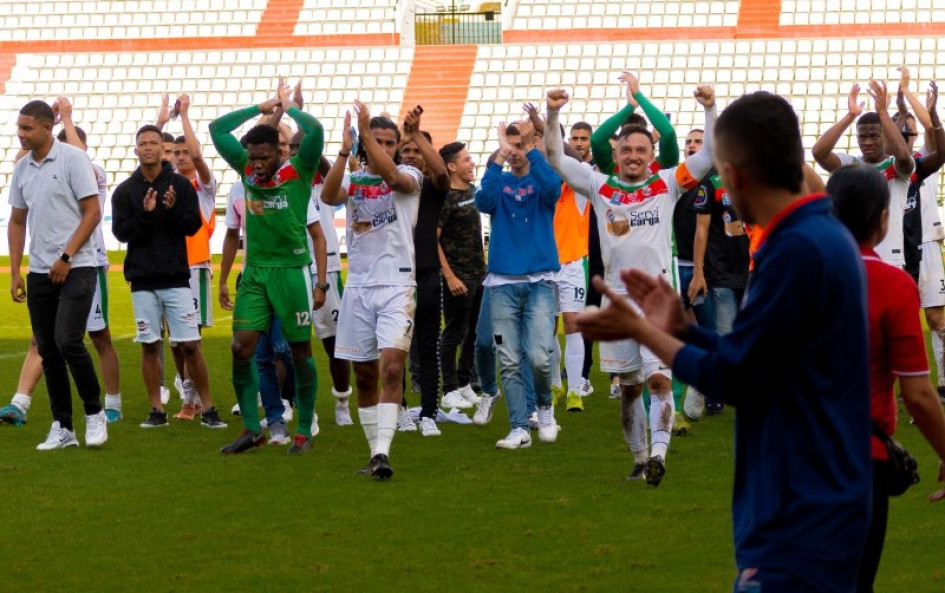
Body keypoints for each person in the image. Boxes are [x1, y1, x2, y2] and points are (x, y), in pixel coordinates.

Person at [576, 91, 872, 591]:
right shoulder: (819, 233)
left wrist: (646, 330)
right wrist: (686, 329)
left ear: (733, 172)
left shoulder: (794, 251)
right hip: (821, 488)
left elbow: (737, 378)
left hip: (799, 505)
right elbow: (758, 362)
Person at [545, 84, 716, 485]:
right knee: (628, 391)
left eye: (641, 150)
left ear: (651, 155)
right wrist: (552, 116)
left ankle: (659, 454)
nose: (634, 156)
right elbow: (555, 157)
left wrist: (710, 109)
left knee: (659, 381)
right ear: (616, 155)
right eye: (626, 151)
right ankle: (640, 460)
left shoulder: (668, 183)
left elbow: (709, 156)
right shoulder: (599, 185)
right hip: (617, 303)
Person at [826, 163, 945, 592]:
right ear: (883, 219)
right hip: (859, 457)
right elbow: (917, 393)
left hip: (786, 455)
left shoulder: (788, 273)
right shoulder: (893, 285)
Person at [210, 84, 325, 455]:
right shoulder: (245, 169)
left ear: (280, 151)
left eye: (263, 157)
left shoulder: (300, 169)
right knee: (240, 348)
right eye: (252, 157)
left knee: (299, 352)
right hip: (256, 273)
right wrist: (261, 106)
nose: (256, 163)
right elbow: (216, 129)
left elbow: (317, 132)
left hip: (291, 271)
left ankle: (304, 429)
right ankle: (250, 429)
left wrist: (289, 108)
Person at [0, 99, 122, 425]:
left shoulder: (75, 160)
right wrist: (16, 272)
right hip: (40, 270)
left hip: (81, 264)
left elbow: (93, 212)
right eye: (18, 128)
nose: (20, 134)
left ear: (46, 126)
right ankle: (59, 425)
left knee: (74, 339)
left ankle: (100, 409)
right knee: (47, 346)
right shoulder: (23, 168)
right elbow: (16, 221)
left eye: (27, 128)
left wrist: (66, 256)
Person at [321, 103, 421, 478]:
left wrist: (364, 135)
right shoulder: (353, 178)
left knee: (392, 368)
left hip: (397, 286)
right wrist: (346, 150)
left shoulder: (409, 173)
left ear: (397, 146)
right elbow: (330, 196)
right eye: (376, 140)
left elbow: (394, 178)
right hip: (359, 287)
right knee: (363, 376)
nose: (383, 146)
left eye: (389, 141)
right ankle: (373, 452)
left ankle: (383, 452)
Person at [111, 124, 226, 430]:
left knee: (190, 344)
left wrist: (172, 210)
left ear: (163, 149)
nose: (148, 148)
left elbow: (191, 227)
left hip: (177, 278)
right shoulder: (125, 191)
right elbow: (121, 232)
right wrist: (146, 214)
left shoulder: (181, 186)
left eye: (153, 143)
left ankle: (209, 408)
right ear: (136, 150)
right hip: (143, 281)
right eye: (142, 143)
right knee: (150, 345)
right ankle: (156, 410)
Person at [475, 119, 562, 450]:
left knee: (539, 356)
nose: (513, 151)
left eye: (518, 145)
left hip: (539, 281)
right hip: (501, 285)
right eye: (508, 145)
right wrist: (499, 157)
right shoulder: (500, 181)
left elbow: (554, 190)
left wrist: (531, 150)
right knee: (508, 359)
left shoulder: (541, 180)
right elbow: (484, 202)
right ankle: (518, 428)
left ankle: (544, 407)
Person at [160, 94, 220, 421]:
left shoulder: (203, 188)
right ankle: (190, 396)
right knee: (173, 341)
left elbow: (197, 154)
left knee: (189, 340)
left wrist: (183, 115)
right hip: (167, 268)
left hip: (194, 268)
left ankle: (191, 400)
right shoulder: (164, 183)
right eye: (177, 152)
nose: (182, 157)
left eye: (185, 152)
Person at [812, 79, 915, 269]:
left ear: (885, 135)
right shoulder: (851, 164)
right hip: (853, 259)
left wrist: (883, 113)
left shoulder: (896, 167)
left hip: (890, 261)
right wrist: (850, 116)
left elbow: (903, 155)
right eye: (862, 137)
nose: (867, 142)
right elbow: (819, 153)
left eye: (874, 136)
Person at [290, 128, 354, 428]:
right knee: (294, 343)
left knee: (334, 342)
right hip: (290, 268)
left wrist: (318, 155)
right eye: (290, 147)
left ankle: (342, 400)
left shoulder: (323, 179)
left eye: (300, 148)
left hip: (324, 269)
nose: (294, 152)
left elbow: (335, 178)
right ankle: (302, 407)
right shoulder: (283, 180)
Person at [399, 108, 454, 436]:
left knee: (428, 343)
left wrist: (416, 133)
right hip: (397, 273)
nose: (411, 155)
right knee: (397, 346)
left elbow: (443, 174)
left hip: (427, 272)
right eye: (406, 150)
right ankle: (402, 408)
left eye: (418, 150)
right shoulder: (393, 184)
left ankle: (430, 412)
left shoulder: (433, 187)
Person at [437, 142, 487, 421]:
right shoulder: (446, 198)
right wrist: (450, 275)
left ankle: (465, 382)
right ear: (451, 166)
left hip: (479, 273)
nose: (472, 164)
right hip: (458, 276)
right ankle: (450, 388)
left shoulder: (471, 191)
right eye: (467, 160)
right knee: (454, 332)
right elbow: (434, 239)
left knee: (474, 331)